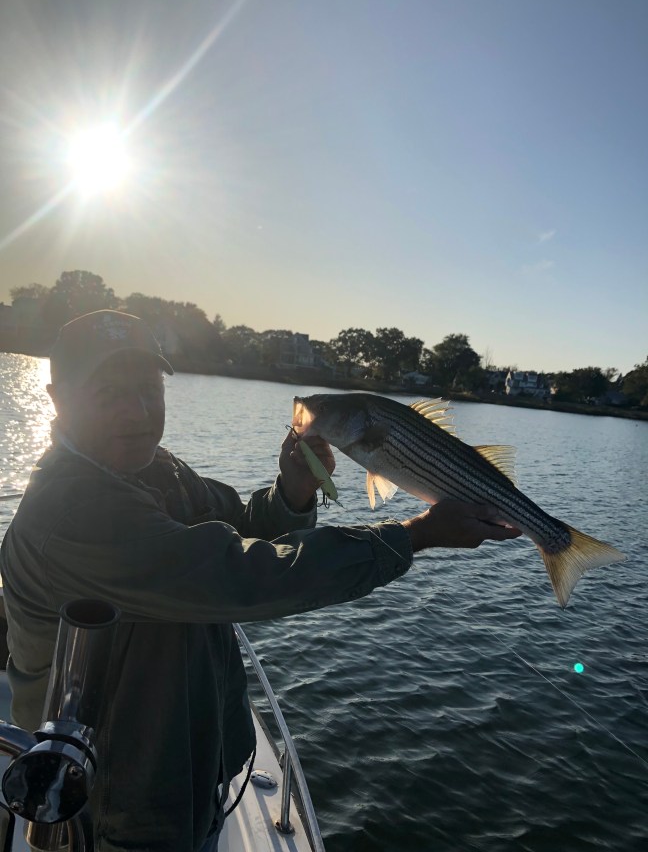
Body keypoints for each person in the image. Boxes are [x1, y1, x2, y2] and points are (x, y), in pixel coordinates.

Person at [0, 310, 521, 852]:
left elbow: (236, 525)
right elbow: (245, 575)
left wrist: (292, 492)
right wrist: (415, 535)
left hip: (186, 774)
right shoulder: (72, 513)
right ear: (57, 399)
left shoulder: (154, 467)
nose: (137, 411)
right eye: (108, 392)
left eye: (149, 389)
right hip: (113, 805)